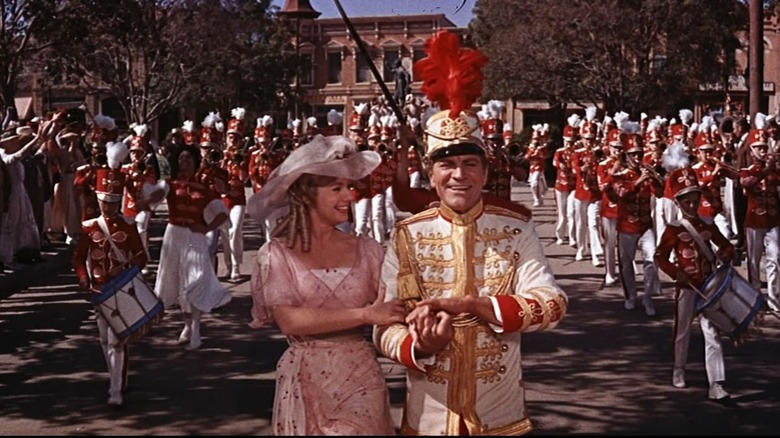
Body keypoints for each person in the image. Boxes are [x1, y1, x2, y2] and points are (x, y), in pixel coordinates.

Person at [373, 30, 568, 436]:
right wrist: (419, 346)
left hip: (500, 414)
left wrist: (476, 306)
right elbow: (383, 325)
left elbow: (552, 305)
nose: (459, 175)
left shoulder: (516, 229)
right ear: (430, 172)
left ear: (484, 171)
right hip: (428, 416)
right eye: (446, 165)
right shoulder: (406, 235)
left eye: (469, 163)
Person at [247, 134, 407, 435]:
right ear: (306, 195)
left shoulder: (369, 250)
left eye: (349, 187)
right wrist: (364, 314)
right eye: (337, 188)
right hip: (303, 383)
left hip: (360, 381)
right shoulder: (276, 254)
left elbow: (393, 309)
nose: (349, 196)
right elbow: (290, 320)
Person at [71, 141, 148, 407]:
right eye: (105, 202)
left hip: (120, 288)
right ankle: (117, 376)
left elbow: (142, 257)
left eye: (113, 203)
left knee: (116, 340)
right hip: (97, 290)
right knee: (104, 339)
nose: (108, 207)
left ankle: (115, 389)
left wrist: (129, 272)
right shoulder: (89, 227)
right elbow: (78, 258)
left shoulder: (128, 227)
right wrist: (82, 277)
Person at [654, 165, 735, 405]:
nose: (691, 206)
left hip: (709, 288)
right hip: (687, 288)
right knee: (682, 331)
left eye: (694, 201)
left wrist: (726, 254)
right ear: (678, 203)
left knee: (713, 334)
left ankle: (716, 384)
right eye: (686, 202)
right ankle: (679, 368)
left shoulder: (708, 226)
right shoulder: (673, 229)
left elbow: (725, 245)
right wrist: (675, 272)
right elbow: (659, 256)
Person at [152, 144, 232, 350]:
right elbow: (156, 196)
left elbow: (222, 214)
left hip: (194, 237)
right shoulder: (169, 184)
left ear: (195, 163)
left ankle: (196, 327)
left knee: (195, 279)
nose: (184, 162)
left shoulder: (204, 190)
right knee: (178, 280)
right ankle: (186, 325)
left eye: (188, 158)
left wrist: (206, 227)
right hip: (174, 235)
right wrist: (145, 200)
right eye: (181, 158)